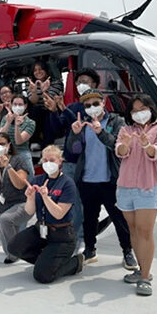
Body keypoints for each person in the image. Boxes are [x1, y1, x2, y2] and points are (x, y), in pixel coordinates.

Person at [66, 89, 137, 269]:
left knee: (119, 218)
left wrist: (100, 132)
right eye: (87, 105)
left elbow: (118, 146)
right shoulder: (82, 124)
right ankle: (90, 249)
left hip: (110, 180)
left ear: (103, 102)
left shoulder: (116, 121)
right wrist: (74, 134)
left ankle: (127, 251)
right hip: (87, 179)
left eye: (95, 103)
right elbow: (73, 151)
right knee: (89, 218)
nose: (92, 108)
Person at [115, 94, 157, 296]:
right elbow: (120, 152)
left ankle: (146, 277)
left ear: (151, 108)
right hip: (126, 186)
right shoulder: (126, 129)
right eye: (134, 110)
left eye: (143, 108)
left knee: (145, 230)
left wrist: (147, 145)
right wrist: (124, 144)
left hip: (149, 187)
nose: (139, 113)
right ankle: (141, 269)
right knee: (133, 230)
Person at [8, 145, 84, 283]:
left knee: (42, 276)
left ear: (60, 161)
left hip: (62, 235)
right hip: (41, 229)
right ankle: (46, 262)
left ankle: (75, 263)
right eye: (45, 160)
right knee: (14, 246)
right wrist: (30, 197)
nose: (48, 163)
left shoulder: (67, 183)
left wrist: (45, 197)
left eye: (52, 160)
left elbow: (59, 214)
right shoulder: (37, 180)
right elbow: (29, 211)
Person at [45, 68, 101, 247]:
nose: (80, 85)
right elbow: (58, 130)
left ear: (94, 84)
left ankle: (85, 237)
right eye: (78, 82)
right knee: (73, 200)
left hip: (91, 163)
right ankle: (76, 236)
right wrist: (54, 111)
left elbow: (86, 128)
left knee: (89, 202)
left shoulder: (96, 109)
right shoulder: (72, 107)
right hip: (71, 162)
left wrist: (63, 109)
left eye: (85, 81)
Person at [0, 132, 31, 263]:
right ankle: (17, 250)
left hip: (22, 203)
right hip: (3, 205)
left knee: (5, 220)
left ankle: (14, 254)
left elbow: (20, 184)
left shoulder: (18, 160)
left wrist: (8, 167)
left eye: (2, 144)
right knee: (9, 236)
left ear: (9, 145)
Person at [26, 60, 64, 148]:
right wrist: (35, 91)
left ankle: (48, 144)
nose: (38, 72)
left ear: (46, 70)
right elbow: (33, 101)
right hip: (37, 114)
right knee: (35, 109)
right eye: (35, 70)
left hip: (52, 110)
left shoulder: (56, 83)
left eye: (40, 69)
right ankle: (35, 141)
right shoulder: (32, 85)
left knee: (48, 112)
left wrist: (44, 91)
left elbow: (50, 101)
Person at [0, 94, 36, 176]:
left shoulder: (30, 123)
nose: (17, 107)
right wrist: (8, 122)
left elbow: (19, 141)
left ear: (25, 106)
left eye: (20, 104)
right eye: (15, 104)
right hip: (7, 154)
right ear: (11, 105)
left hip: (22, 153)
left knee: (29, 180)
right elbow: (1, 136)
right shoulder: (6, 118)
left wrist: (17, 125)